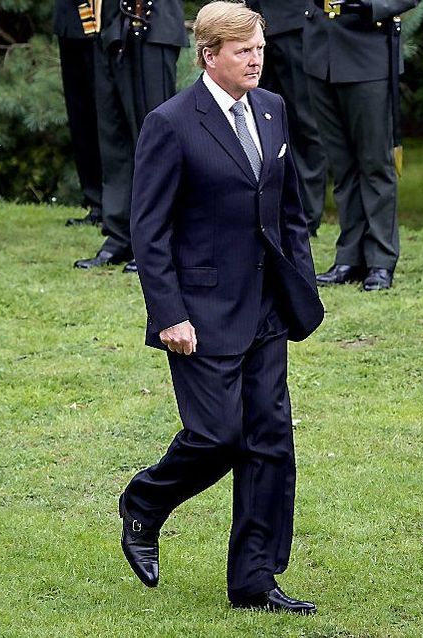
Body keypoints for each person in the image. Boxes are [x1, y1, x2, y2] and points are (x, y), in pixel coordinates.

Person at [120, 1, 320, 613]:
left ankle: (255, 582)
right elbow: (148, 232)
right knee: (216, 436)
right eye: (244, 51)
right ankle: (146, 503)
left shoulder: (272, 109)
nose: (257, 60)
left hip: (265, 307)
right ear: (210, 55)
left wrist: (299, 285)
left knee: (269, 441)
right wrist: (168, 315)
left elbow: (288, 210)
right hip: (201, 313)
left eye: (260, 49)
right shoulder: (172, 123)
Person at [304, 0, 418, 290]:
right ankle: (349, 257)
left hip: (367, 51)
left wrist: (370, 4)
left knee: (374, 164)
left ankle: (380, 260)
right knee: (342, 166)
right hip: (322, 50)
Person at [73, 0, 187, 272]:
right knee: (114, 139)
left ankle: (157, 239)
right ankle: (119, 235)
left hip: (149, 22)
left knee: (153, 142)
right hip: (109, 26)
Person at [247, 0, 328, 234]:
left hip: (295, 23)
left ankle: (306, 214)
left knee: (304, 122)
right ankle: (266, 207)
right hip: (253, 24)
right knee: (256, 119)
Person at [54, 0, 104, 227]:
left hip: (102, 23)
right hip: (70, 22)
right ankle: (96, 202)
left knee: (107, 118)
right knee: (80, 118)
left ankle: (117, 205)